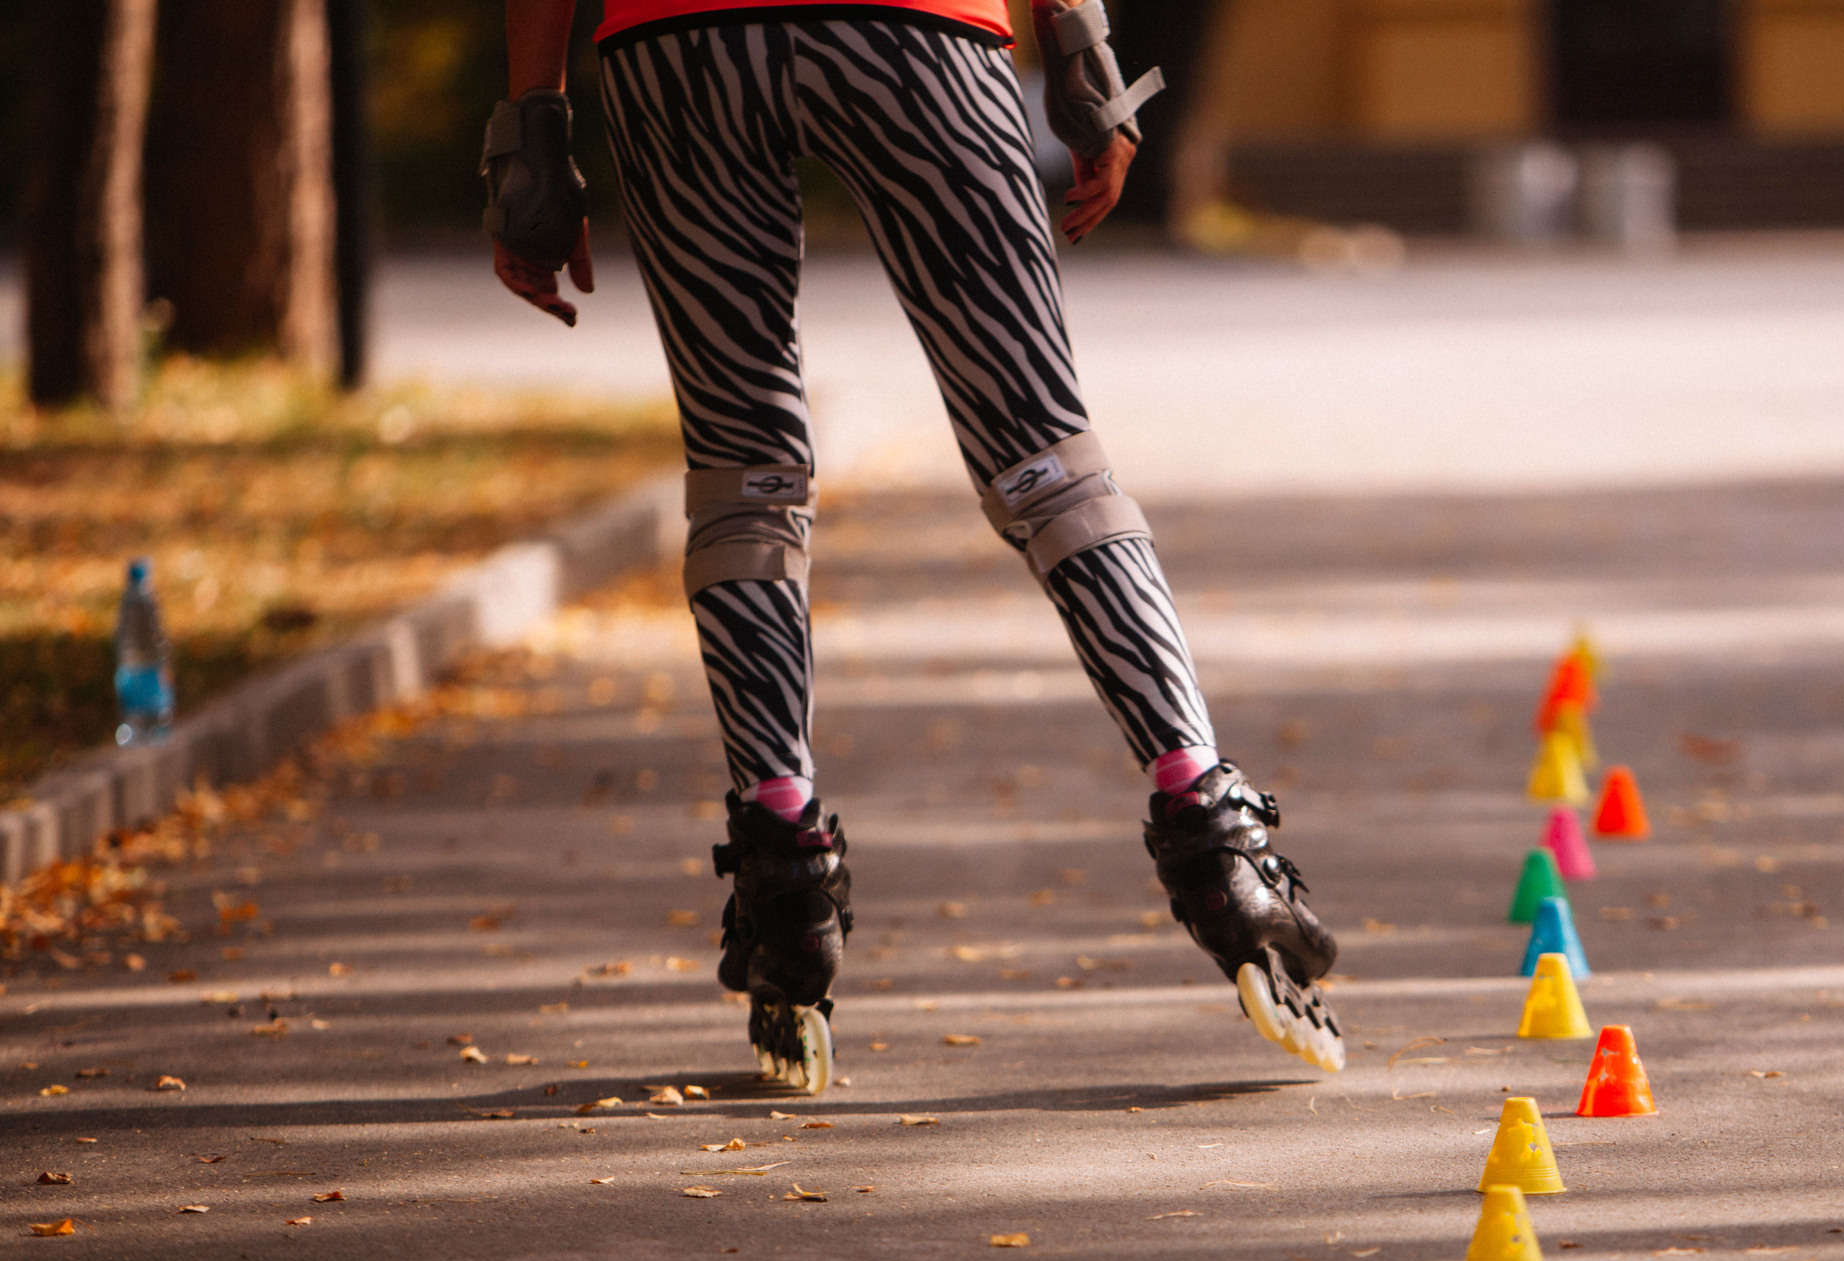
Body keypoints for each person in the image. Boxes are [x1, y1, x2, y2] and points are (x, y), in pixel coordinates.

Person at [485, 0, 1340, 1089]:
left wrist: (535, 131)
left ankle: (783, 860)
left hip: (680, 45)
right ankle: (1211, 829)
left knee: (745, 474)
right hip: (918, 34)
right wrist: (1081, 52)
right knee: (1046, 458)